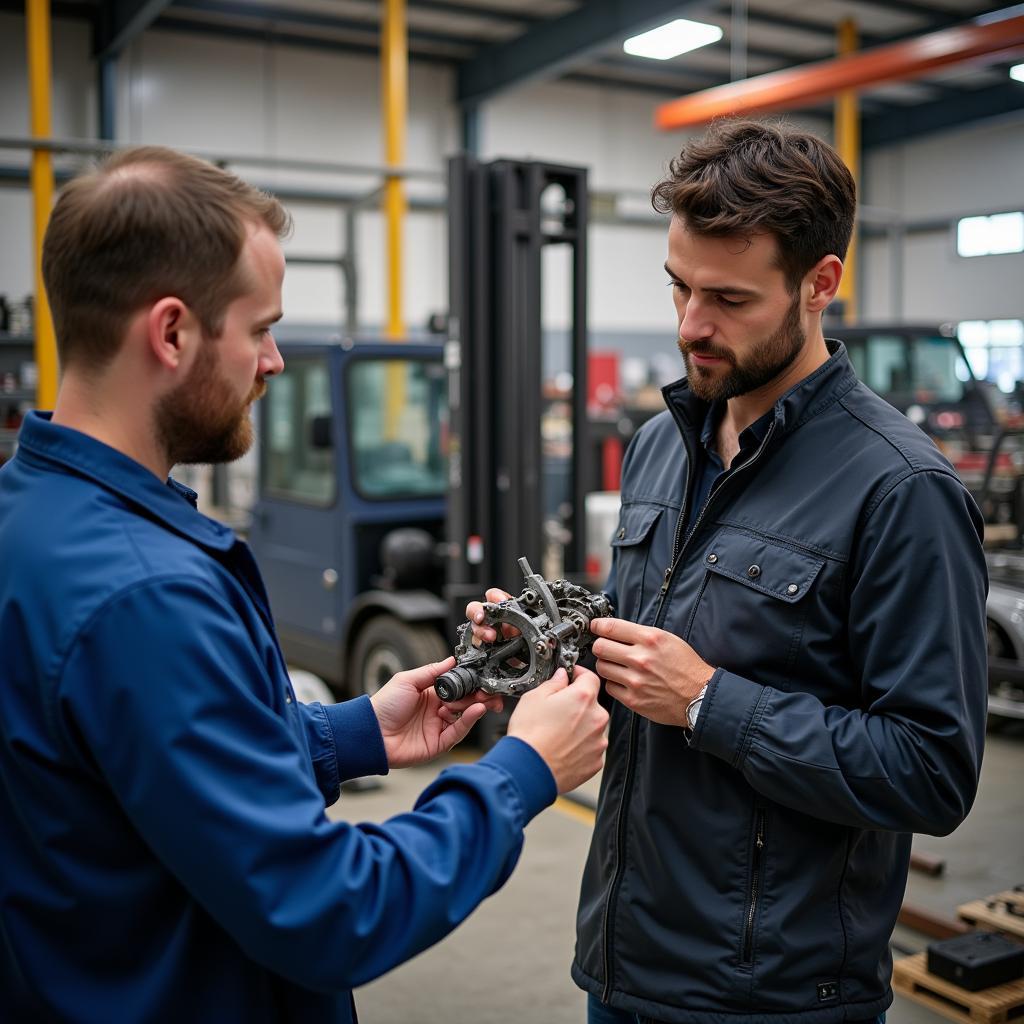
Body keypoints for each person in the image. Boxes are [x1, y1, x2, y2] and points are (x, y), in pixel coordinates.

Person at [0, 146, 610, 1023]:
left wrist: (352, 735)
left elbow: (153, 777)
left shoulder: (35, 514)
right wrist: (522, 771)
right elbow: (330, 911)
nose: (275, 362)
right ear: (171, 333)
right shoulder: (144, 595)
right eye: (260, 329)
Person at [474, 118, 989, 1024]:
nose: (690, 327)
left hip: (772, 998)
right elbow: (638, 654)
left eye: (729, 300)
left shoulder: (901, 489)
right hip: (621, 963)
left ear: (820, 284)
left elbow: (931, 772)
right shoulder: (656, 449)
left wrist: (714, 701)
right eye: (678, 289)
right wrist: (543, 647)